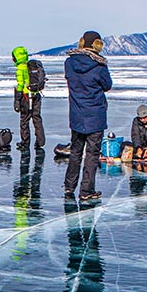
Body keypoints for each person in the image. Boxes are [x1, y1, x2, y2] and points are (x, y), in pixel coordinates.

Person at [63, 31, 112, 202]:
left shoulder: (69, 63)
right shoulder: (99, 66)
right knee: (92, 154)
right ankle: (86, 190)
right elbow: (107, 85)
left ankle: (69, 186)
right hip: (95, 116)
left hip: (77, 115)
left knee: (75, 152)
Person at [12, 46, 45, 151]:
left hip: (26, 97)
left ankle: (25, 142)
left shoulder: (20, 68)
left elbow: (20, 85)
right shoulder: (31, 66)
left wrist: (17, 100)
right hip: (36, 94)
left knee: (24, 119)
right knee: (36, 118)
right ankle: (40, 141)